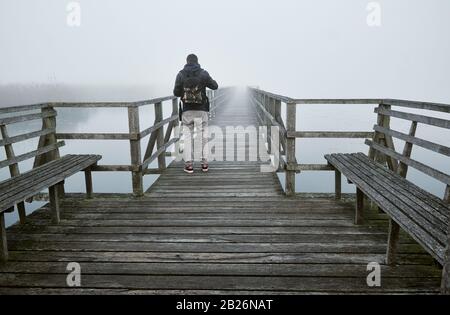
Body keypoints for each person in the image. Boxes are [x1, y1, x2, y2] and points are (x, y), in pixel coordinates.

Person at [173, 54, 218, 174]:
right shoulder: (203, 73)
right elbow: (215, 86)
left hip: (187, 111)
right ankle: (204, 164)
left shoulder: (181, 74)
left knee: (187, 137)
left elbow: (176, 93)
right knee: (203, 137)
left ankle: (189, 165)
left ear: (187, 62)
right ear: (197, 62)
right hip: (201, 110)